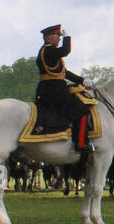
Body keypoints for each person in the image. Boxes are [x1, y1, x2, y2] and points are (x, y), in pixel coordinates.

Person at [35, 24, 92, 155]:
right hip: (54, 90)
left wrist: (82, 80)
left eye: (61, 37)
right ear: (49, 37)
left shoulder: (49, 52)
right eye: (58, 36)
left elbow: (64, 73)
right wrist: (68, 38)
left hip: (52, 88)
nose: (59, 39)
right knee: (82, 110)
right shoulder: (49, 51)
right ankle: (81, 144)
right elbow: (66, 51)